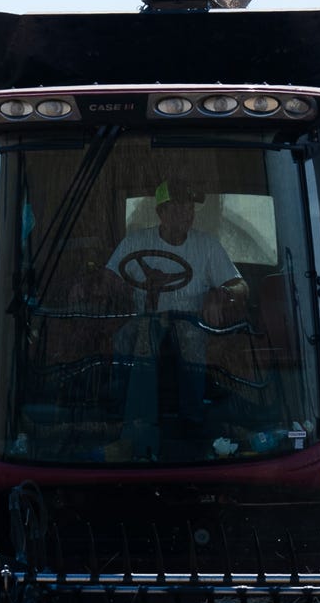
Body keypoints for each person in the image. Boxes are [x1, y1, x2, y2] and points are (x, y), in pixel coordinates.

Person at [104, 181, 247, 454]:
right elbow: (108, 276)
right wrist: (128, 289)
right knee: (128, 337)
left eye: (190, 206)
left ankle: (192, 421)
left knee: (189, 336)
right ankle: (128, 419)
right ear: (161, 212)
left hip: (190, 320)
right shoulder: (136, 241)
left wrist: (218, 294)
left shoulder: (206, 245)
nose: (187, 212)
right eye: (178, 206)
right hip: (145, 315)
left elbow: (242, 287)